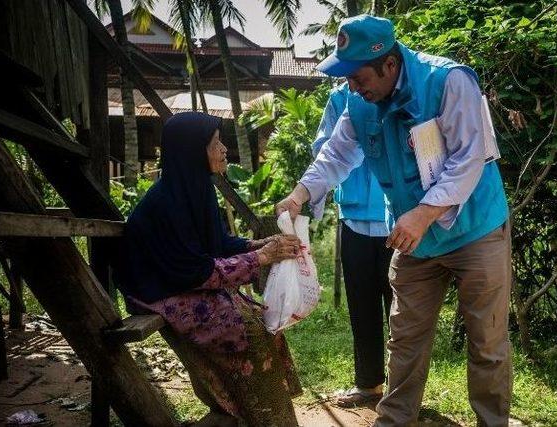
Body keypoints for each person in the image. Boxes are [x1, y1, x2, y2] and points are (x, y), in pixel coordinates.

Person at [276, 15, 512, 427]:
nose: (353, 85)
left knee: (487, 342)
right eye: (346, 77)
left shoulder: (448, 82)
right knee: (405, 340)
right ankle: (394, 421)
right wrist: (301, 193)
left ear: (389, 64)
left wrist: (423, 213)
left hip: (476, 231)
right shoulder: (359, 102)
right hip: (416, 240)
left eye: (358, 75)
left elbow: (468, 157)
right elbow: (337, 153)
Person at [117, 112, 302, 427]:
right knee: (247, 331)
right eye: (216, 143)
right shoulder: (166, 203)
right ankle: (254, 412)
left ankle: (261, 412)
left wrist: (260, 245)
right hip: (159, 290)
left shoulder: (195, 187)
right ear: (193, 151)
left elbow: (217, 243)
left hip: (184, 279)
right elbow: (196, 271)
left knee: (263, 321)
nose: (224, 149)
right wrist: (261, 258)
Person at [313, 83, 393, 407]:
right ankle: (368, 385)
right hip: (355, 218)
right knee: (362, 307)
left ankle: (404, 390)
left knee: (401, 311)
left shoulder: (398, 92)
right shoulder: (340, 97)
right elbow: (324, 147)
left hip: (396, 219)